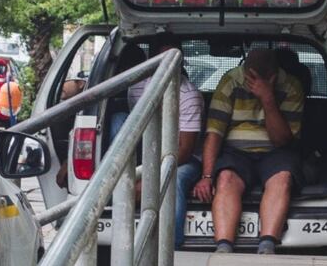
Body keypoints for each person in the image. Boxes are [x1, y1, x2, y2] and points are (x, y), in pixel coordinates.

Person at [193, 49, 304, 254]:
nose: (250, 81)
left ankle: (267, 246)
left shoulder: (291, 86)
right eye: (248, 75)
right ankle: (224, 248)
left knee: (282, 178)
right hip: (236, 152)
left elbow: (282, 140)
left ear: (273, 74)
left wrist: (267, 98)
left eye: (256, 77)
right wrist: (207, 176)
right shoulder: (231, 81)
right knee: (225, 178)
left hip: (276, 151)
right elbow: (214, 134)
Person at [128, 34, 204, 249]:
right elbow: (132, 130)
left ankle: (170, 246)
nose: (168, 67)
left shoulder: (189, 96)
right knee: (117, 121)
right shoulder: (137, 88)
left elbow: (185, 151)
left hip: (183, 159)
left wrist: (149, 176)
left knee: (174, 178)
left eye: (174, 61)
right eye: (163, 61)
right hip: (147, 150)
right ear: (152, 63)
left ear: (181, 63)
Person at [55, 76, 86, 189]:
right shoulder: (74, 109)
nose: (61, 86)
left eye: (65, 80)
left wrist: (68, 163)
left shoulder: (89, 110)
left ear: (81, 83)